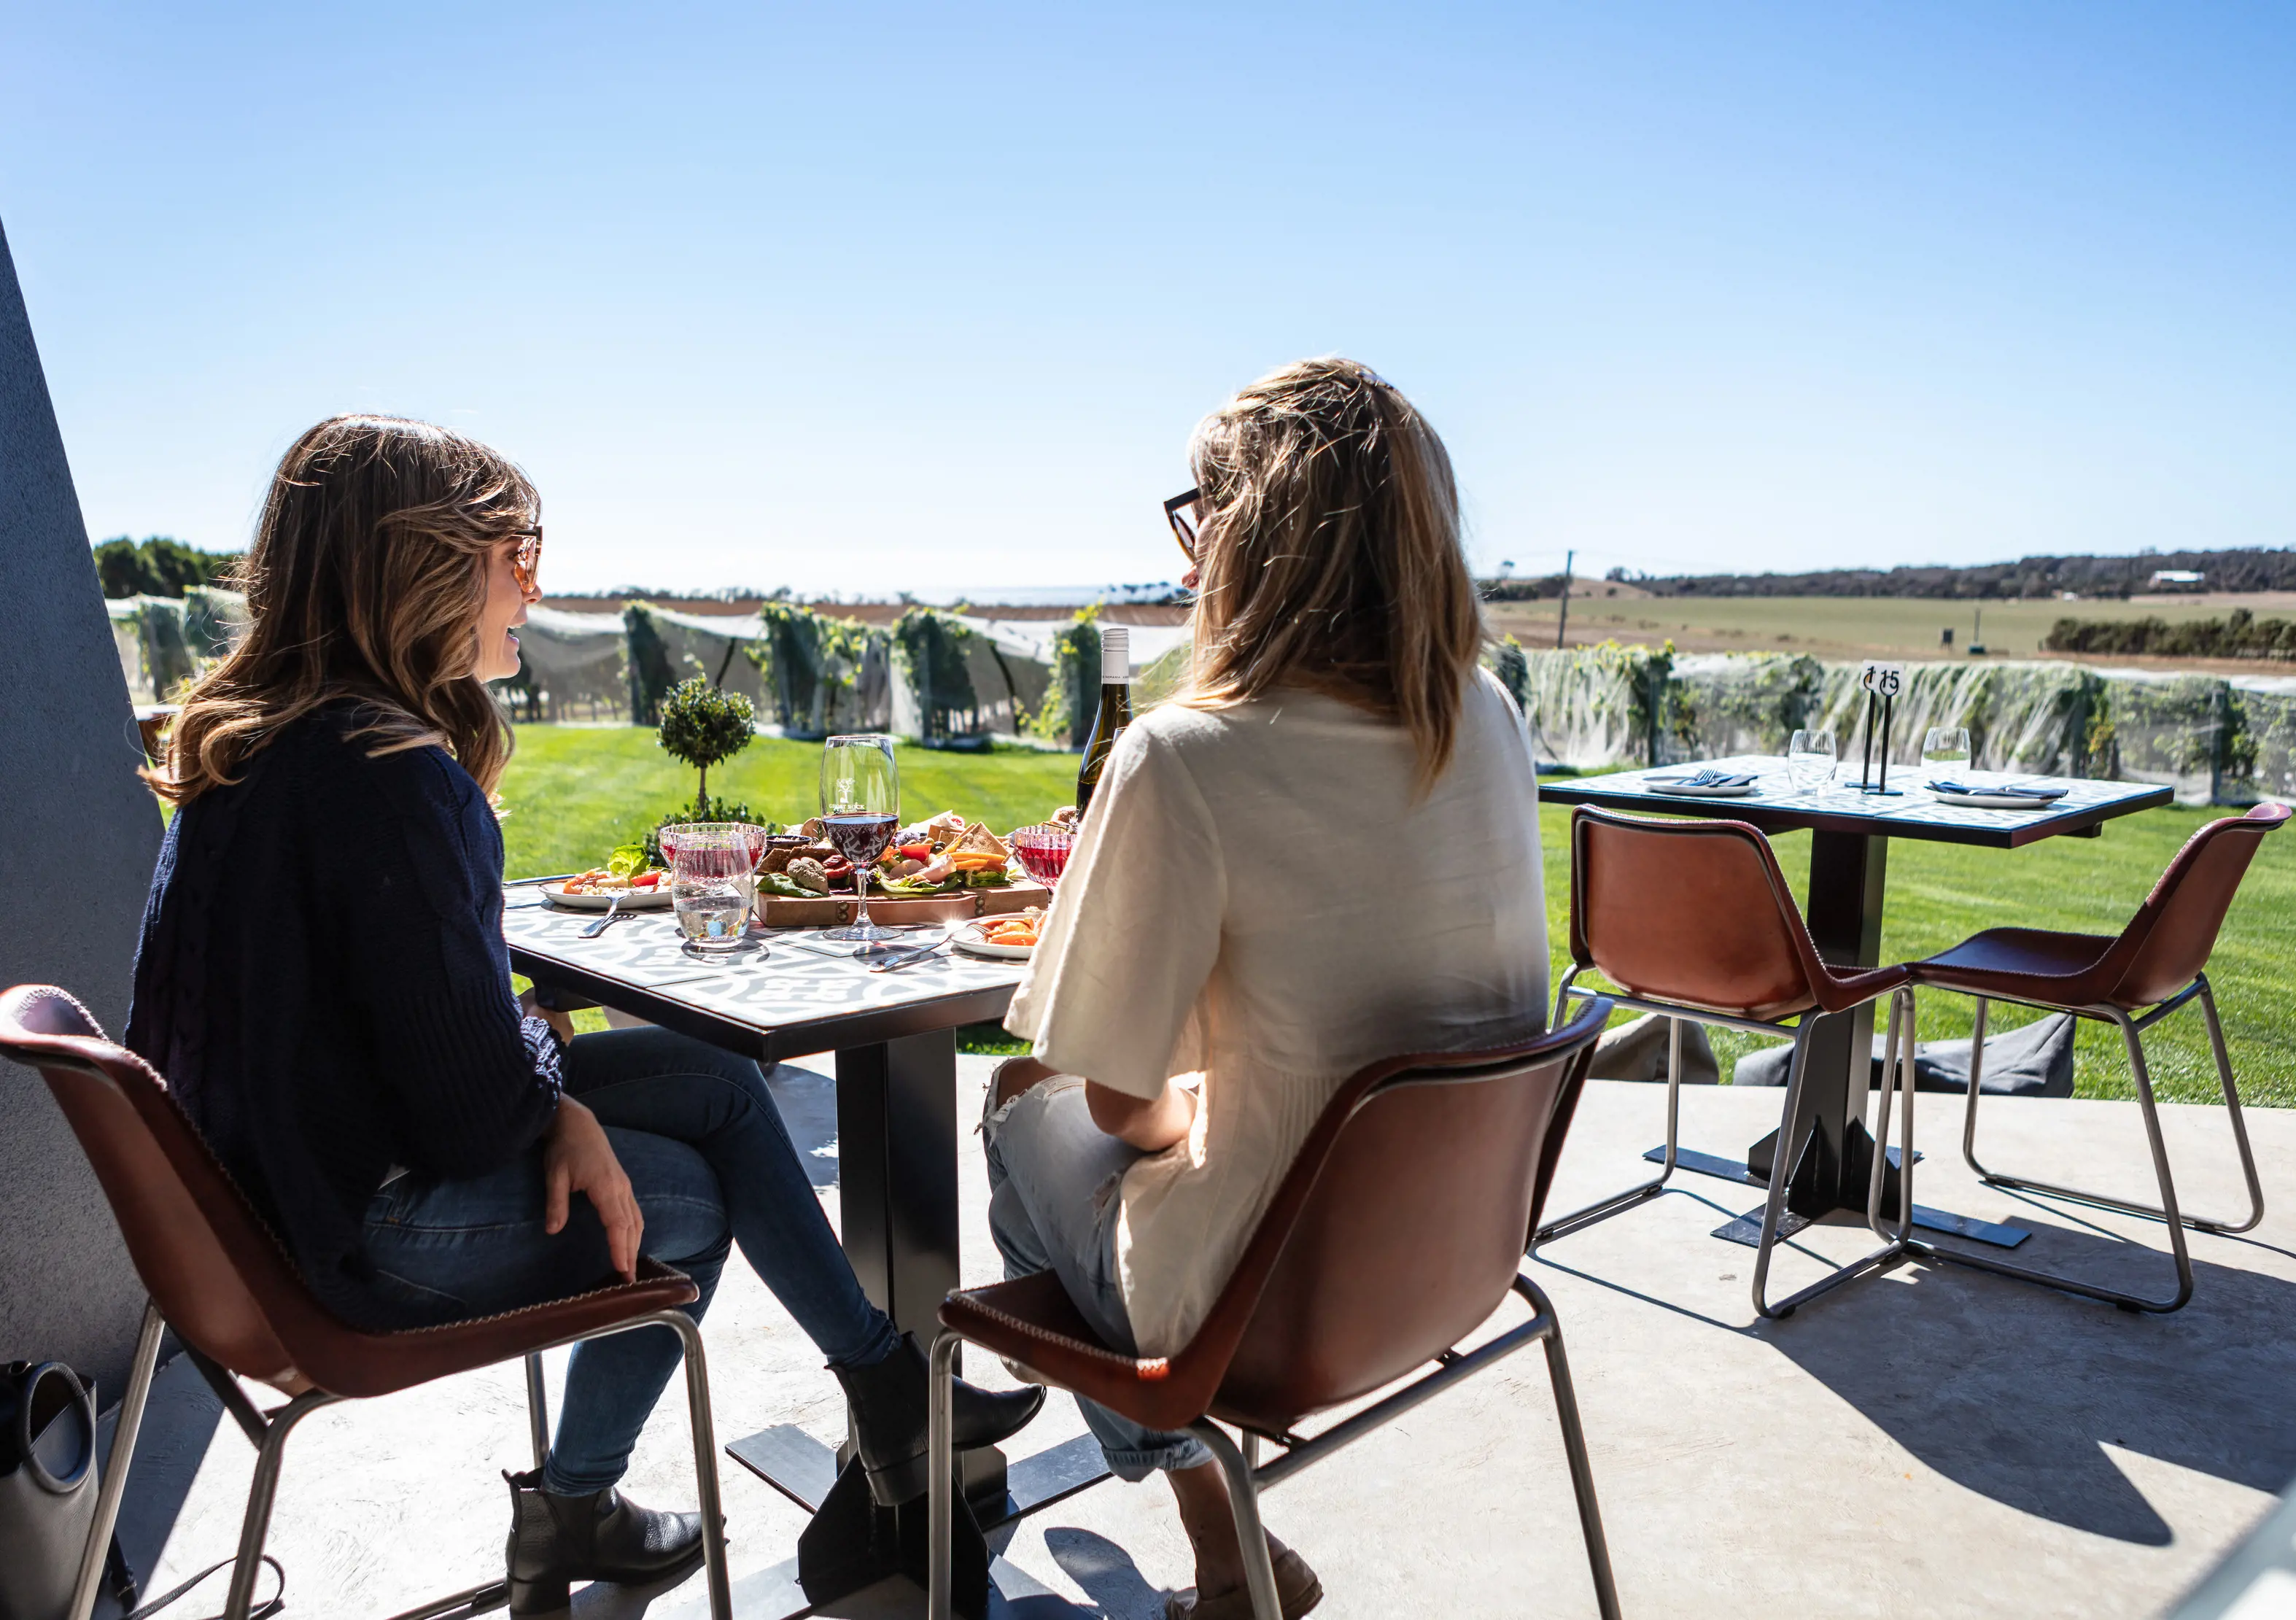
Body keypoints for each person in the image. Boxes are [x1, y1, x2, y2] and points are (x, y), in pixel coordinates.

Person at [125, 415, 1041, 1616]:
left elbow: (386, 1022)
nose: (533, 588)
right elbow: (465, 1115)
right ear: (423, 564)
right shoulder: (393, 778)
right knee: (688, 1201)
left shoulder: (259, 752)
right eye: (519, 553)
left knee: (714, 1085)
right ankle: (581, 1504)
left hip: (259, 1194)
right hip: (353, 1226)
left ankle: (881, 1384)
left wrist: (533, 1055)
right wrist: (545, 1084)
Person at [983, 359, 1549, 1620]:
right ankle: (1217, 1531)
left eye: (1199, 514)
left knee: (1022, 1100)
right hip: (1462, 1256)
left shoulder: (1185, 755)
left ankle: (1209, 1518)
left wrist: (1184, 1109)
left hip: (1269, 1307)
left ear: (1250, 537)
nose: (1188, 557)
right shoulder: (1490, 718)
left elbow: (1121, 1105)